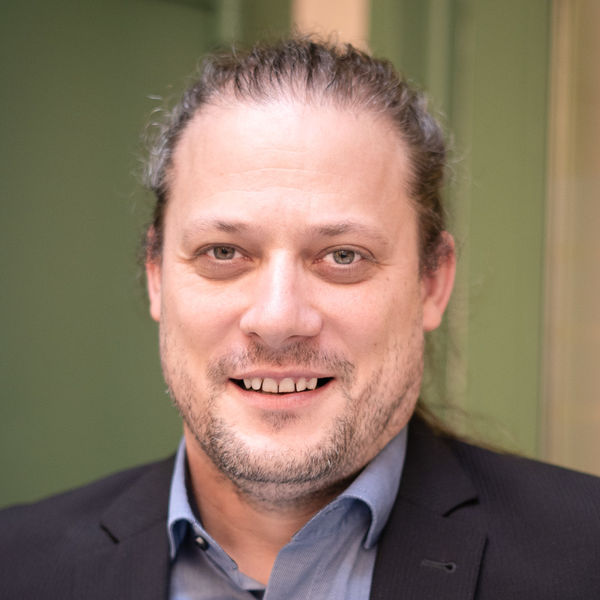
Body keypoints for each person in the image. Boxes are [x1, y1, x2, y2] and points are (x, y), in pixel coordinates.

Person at [1, 37, 599, 600]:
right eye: (223, 252)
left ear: (432, 283)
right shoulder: (17, 565)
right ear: (156, 274)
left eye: (343, 257)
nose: (278, 318)